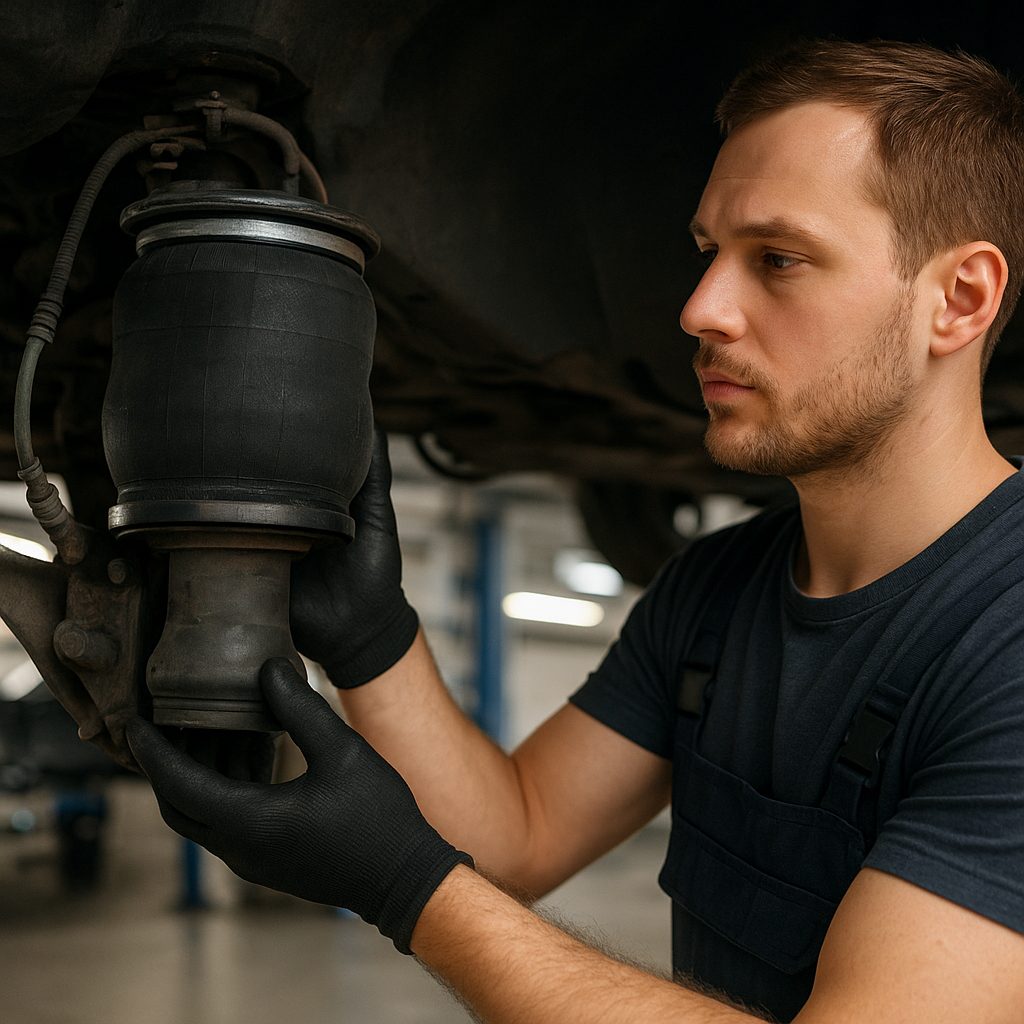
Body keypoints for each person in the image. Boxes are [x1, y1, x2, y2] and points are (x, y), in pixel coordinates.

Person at [128, 38, 1024, 1023]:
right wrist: (371, 635)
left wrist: (406, 883)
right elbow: (518, 834)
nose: (699, 309)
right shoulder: (717, 589)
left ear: (959, 300)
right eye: (708, 254)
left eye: (777, 259)